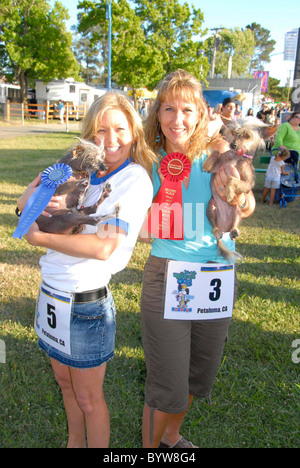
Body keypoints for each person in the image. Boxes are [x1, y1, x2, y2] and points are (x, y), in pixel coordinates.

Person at [16, 92, 155, 448]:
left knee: (90, 399)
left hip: (84, 303)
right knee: (65, 385)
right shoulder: (81, 168)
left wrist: (39, 238)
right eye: (99, 131)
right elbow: (22, 205)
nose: (109, 140)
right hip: (51, 293)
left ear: (134, 133)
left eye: (119, 130)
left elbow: (103, 246)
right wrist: (45, 184)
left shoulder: (134, 179)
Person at [140, 69, 255, 449]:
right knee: (167, 382)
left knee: (196, 374)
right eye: (169, 109)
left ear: (202, 113)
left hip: (217, 275)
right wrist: (183, 219)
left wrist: (240, 197)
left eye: (187, 109)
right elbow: (140, 228)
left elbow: (247, 205)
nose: (178, 119)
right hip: (168, 274)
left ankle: (171, 436)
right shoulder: (148, 158)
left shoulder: (217, 156)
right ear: (158, 114)